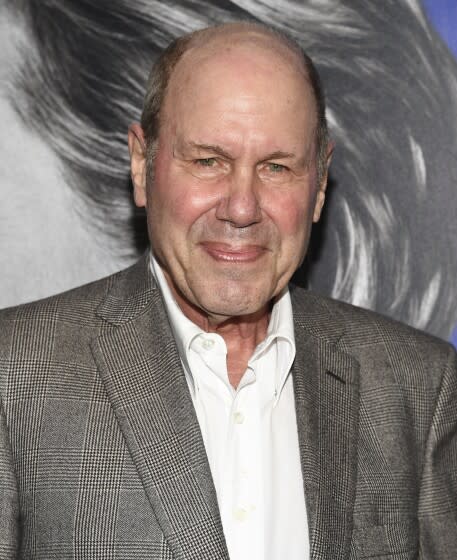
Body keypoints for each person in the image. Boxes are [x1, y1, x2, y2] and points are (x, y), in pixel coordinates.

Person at [1, 21, 456, 559]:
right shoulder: (15, 374)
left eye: (277, 167)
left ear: (320, 185)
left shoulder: (419, 387)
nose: (241, 207)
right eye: (208, 161)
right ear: (142, 165)